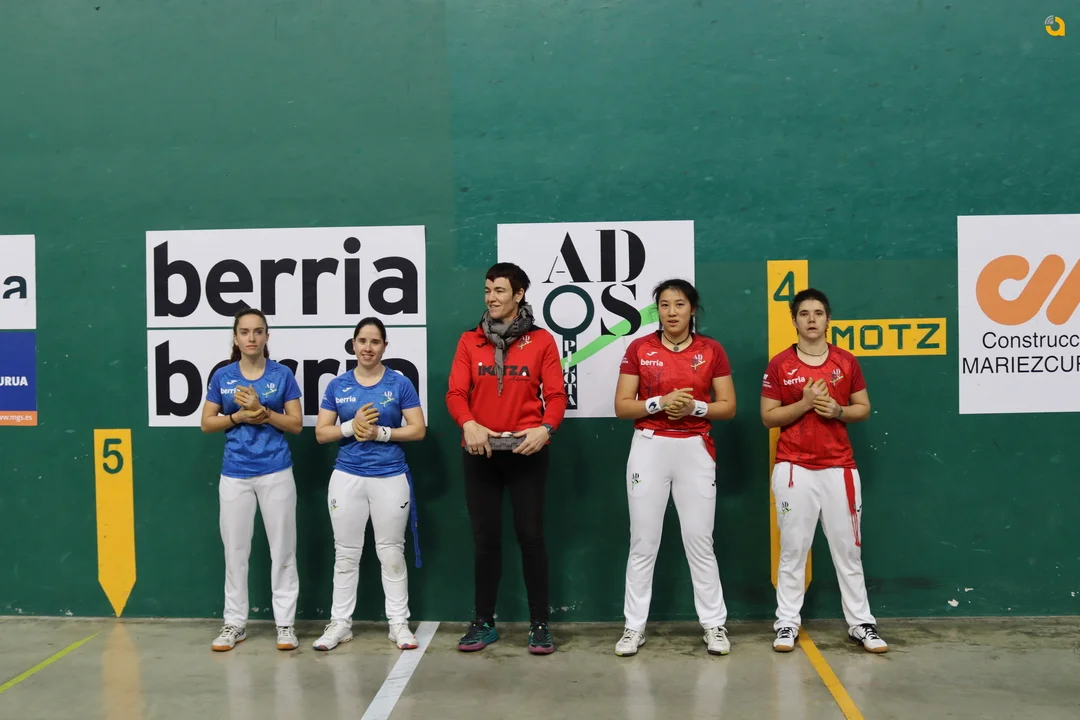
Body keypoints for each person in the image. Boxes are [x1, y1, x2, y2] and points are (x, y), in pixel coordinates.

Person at [446, 262, 567, 655]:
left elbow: (556, 396)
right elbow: (456, 394)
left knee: (531, 537)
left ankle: (540, 624)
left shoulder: (542, 341)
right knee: (485, 540)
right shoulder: (470, 341)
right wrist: (468, 424)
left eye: (499, 290)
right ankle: (483, 622)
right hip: (480, 452)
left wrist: (545, 429)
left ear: (519, 294)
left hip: (526, 452)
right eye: (487, 290)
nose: (491, 298)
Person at [612, 278, 737, 657]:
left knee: (700, 541)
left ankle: (714, 625)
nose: (671, 312)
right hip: (649, 447)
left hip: (695, 448)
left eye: (679, 304)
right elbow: (622, 406)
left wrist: (694, 407)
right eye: (664, 305)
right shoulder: (639, 348)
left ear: (692, 309)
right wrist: (659, 403)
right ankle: (633, 627)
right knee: (643, 541)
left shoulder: (711, 350)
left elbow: (728, 406)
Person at [760, 288, 888, 654]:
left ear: (828, 319)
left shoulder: (846, 362)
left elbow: (862, 407)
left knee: (848, 550)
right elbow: (768, 416)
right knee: (793, 549)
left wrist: (838, 411)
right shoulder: (780, 365)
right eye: (804, 313)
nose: (811, 319)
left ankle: (861, 623)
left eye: (818, 313)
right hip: (793, 468)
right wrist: (804, 403)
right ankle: (787, 623)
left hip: (839, 469)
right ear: (794, 320)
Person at [311, 318, 426, 651]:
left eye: (375, 342)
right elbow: (322, 433)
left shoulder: (400, 383)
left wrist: (380, 433)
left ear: (385, 346)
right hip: (347, 477)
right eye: (362, 341)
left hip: (390, 476)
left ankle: (398, 623)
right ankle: (340, 624)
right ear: (353, 344)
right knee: (346, 554)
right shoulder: (337, 385)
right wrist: (352, 427)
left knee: (391, 552)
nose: (368, 347)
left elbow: (417, 429)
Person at [200, 307, 304, 652]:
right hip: (235, 474)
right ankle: (234, 623)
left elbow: (296, 424)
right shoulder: (223, 376)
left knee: (283, 549)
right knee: (235, 551)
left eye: (258, 331)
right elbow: (207, 422)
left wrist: (264, 412)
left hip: (276, 470)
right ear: (235, 337)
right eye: (244, 332)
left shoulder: (282, 374)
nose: (251, 338)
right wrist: (239, 416)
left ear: (266, 336)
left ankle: (285, 624)